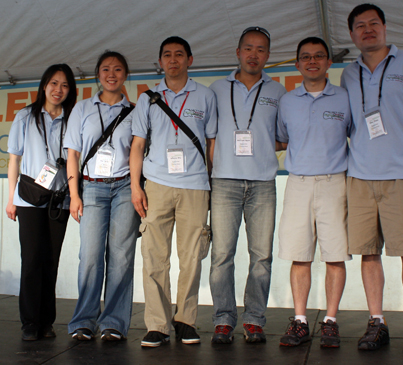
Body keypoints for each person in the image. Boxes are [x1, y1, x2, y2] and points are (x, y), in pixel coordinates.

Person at [341, 3, 403, 353]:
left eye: (374, 24)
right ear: (352, 35)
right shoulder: (348, 74)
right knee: (369, 253)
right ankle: (376, 322)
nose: (368, 30)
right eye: (360, 26)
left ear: (385, 27)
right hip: (361, 177)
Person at [129, 36, 217, 348]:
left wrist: (210, 182)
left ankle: (185, 321)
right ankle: (157, 325)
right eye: (167, 55)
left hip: (195, 186)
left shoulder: (205, 96)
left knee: (192, 257)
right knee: (154, 256)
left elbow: (211, 145)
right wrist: (135, 187)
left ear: (190, 60)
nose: (173, 59)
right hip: (156, 185)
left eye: (179, 54)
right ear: (160, 61)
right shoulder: (148, 99)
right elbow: (137, 145)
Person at [208, 26, 286, 344]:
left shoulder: (279, 92)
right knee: (222, 255)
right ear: (238, 52)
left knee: (262, 256)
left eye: (261, 49)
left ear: (268, 55)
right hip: (224, 182)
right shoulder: (215, 89)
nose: (254, 54)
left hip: (263, 183)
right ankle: (224, 319)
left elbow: (283, 138)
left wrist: (261, 148)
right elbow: (207, 137)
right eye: (248, 48)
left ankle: (254, 319)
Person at [276, 37, 352, 348]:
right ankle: (301, 321)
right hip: (298, 183)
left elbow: (357, 138)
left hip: (336, 182)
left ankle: (331, 321)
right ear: (297, 64)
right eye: (305, 57)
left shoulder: (345, 98)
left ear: (328, 63)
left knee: (335, 256)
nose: (312, 61)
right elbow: (281, 139)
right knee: (299, 255)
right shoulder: (287, 101)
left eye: (319, 56)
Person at [65, 51, 140, 341]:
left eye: (118, 69)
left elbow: (138, 153)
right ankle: (83, 321)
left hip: (124, 187)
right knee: (91, 257)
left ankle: (114, 323)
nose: (112, 74)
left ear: (125, 75)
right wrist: (74, 194)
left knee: (121, 257)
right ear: (98, 74)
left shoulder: (135, 111)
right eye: (106, 69)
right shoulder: (82, 109)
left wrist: (136, 189)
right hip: (92, 187)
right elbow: (72, 154)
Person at [6, 64, 77, 341]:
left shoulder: (73, 118)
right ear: (44, 85)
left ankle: (47, 322)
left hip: (60, 200)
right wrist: (11, 199)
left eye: (65, 85)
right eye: (54, 83)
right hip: (29, 200)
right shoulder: (25, 116)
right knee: (32, 260)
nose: (58, 90)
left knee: (51, 261)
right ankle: (29, 323)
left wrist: (73, 196)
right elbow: (14, 159)